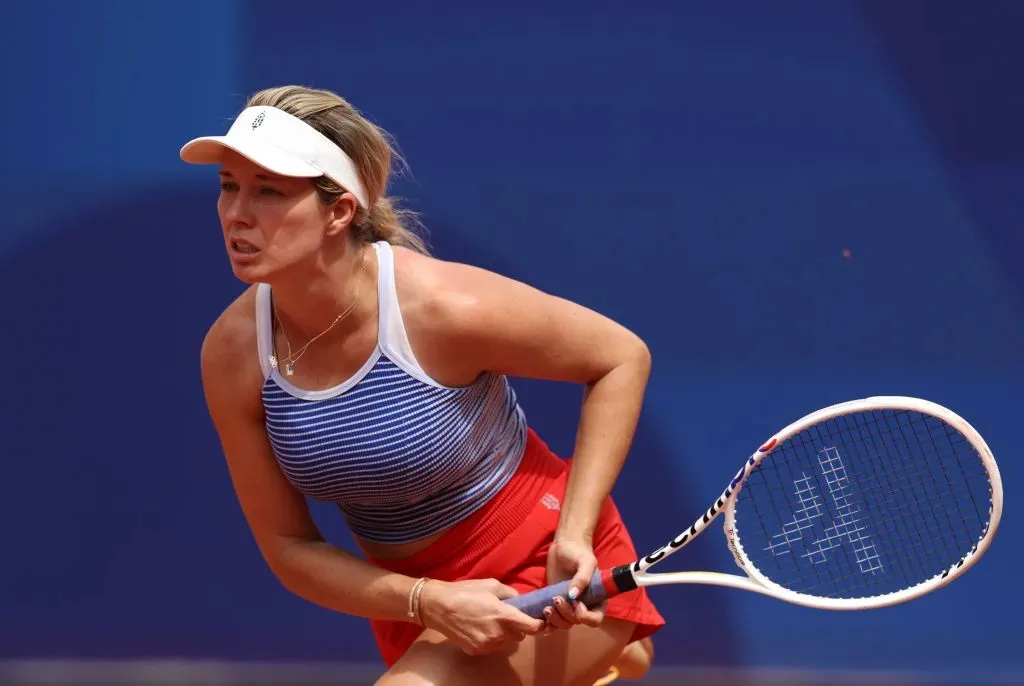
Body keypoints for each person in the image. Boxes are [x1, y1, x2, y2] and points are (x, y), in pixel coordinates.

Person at [183, 85, 664, 685]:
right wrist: (425, 599)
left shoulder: (441, 308)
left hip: (542, 568)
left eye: (270, 191)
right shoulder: (232, 354)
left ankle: (604, 643)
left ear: (340, 212)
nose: (237, 213)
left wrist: (576, 530)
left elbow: (620, 357)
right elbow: (288, 548)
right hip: (410, 600)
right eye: (229, 185)